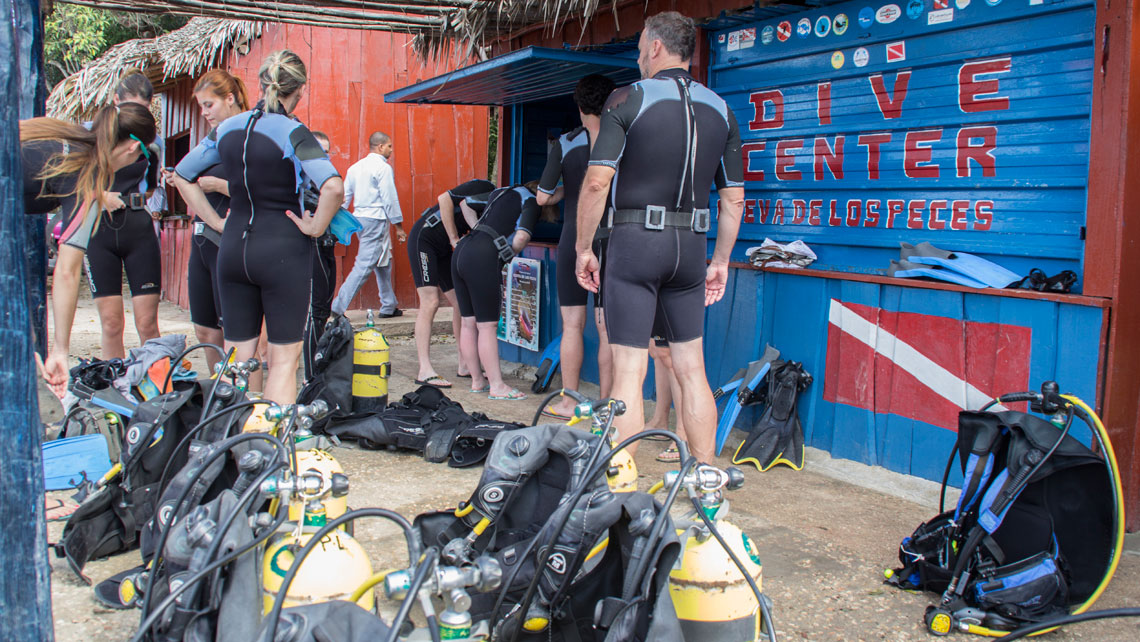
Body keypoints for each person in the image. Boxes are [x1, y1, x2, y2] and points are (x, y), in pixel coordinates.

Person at [575, 11, 745, 463]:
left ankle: (623, 484)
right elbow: (734, 201)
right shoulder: (722, 110)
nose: (637, 57)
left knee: (630, 370)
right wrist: (721, 261)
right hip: (691, 247)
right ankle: (706, 480)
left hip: (635, 243)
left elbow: (596, 183)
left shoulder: (627, 98)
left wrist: (583, 248)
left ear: (654, 47)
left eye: (638, 48)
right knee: (692, 369)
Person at [171, 50, 344, 405]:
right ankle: (269, 452)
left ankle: (235, 445)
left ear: (262, 83)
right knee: (283, 361)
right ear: (299, 89)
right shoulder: (294, 132)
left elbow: (182, 175)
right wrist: (315, 227)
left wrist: (215, 220)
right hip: (282, 249)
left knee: (236, 361)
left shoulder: (227, 128)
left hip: (233, 247)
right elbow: (333, 187)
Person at [21, 103, 158, 396]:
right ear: (134, 149)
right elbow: (67, 271)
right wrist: (60, 350)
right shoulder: (87, 175)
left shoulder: (63, 135)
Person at [536, 74, 616, 420]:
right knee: (606, 325)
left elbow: (542, 196)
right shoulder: (622, 139)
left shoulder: (566, 143)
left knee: (572, 324)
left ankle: (569, 402)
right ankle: (609, 404)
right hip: (613, 236)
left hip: (574, 236)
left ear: (580, 106)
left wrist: (569, 188)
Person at [169, 69, 249, 375]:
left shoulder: (249, 134)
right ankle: (220, 391)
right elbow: (181, 176)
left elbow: (267, 189)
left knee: (236, 335)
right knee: (204, 330)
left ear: (230, 99)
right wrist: (213, 219)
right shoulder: (213, 139)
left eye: (209, 105)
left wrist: (217, 186)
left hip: (232, 242)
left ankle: (238, 398)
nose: (204, 113)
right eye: (201, 106)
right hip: (203, 237)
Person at [85, 71, 165, 360]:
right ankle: (114, 392)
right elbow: (70, 186)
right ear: (115, 101)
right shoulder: (89, 137)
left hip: (137, 228)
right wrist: (99, 195)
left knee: (147, 322)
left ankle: (158, 394)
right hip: (98, 229)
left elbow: (153, 185)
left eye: (141, 111)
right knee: (111, 322)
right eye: (129, 108)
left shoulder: (152, 144)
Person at [451, 183, 543, 401]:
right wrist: (504, 253)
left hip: (463, 249)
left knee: (468, 322)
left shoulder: (499, 192)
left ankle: (477, 381)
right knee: (487, 325)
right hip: (482, 256)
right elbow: (521, 238)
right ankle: (497, 386)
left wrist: (480, 233)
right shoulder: (531, 201)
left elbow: (465, 203)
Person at [407, 178, 496, 387]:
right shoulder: (484, 187)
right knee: (430, 302)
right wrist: (454, 238)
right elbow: (444, 199)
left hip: (445, 249)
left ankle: (464, 362)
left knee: (460, 303)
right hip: (425, 239)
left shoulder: (493, 208)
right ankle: (424, 369)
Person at [330, 132, 406, 319]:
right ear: (380, 147)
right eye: (389, 146)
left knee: (383, 260)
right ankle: (337, 307)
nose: (391, 150)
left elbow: (344, 196)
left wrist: (338, 219)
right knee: (364, 265)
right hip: (376, 219)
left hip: (360, 220)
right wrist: (398, 226)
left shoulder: (355, 168)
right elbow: (389, 198)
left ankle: (389, 305)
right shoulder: (383, 168)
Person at [304, 130, 338, 378]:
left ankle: (318, 368)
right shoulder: (300, 180)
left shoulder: (326, 179)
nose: (323, 156)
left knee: (323, 310)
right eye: (319, 151)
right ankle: (310, 376)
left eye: (327, 152)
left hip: (328, 244)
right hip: (310, 246)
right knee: (315, 313)